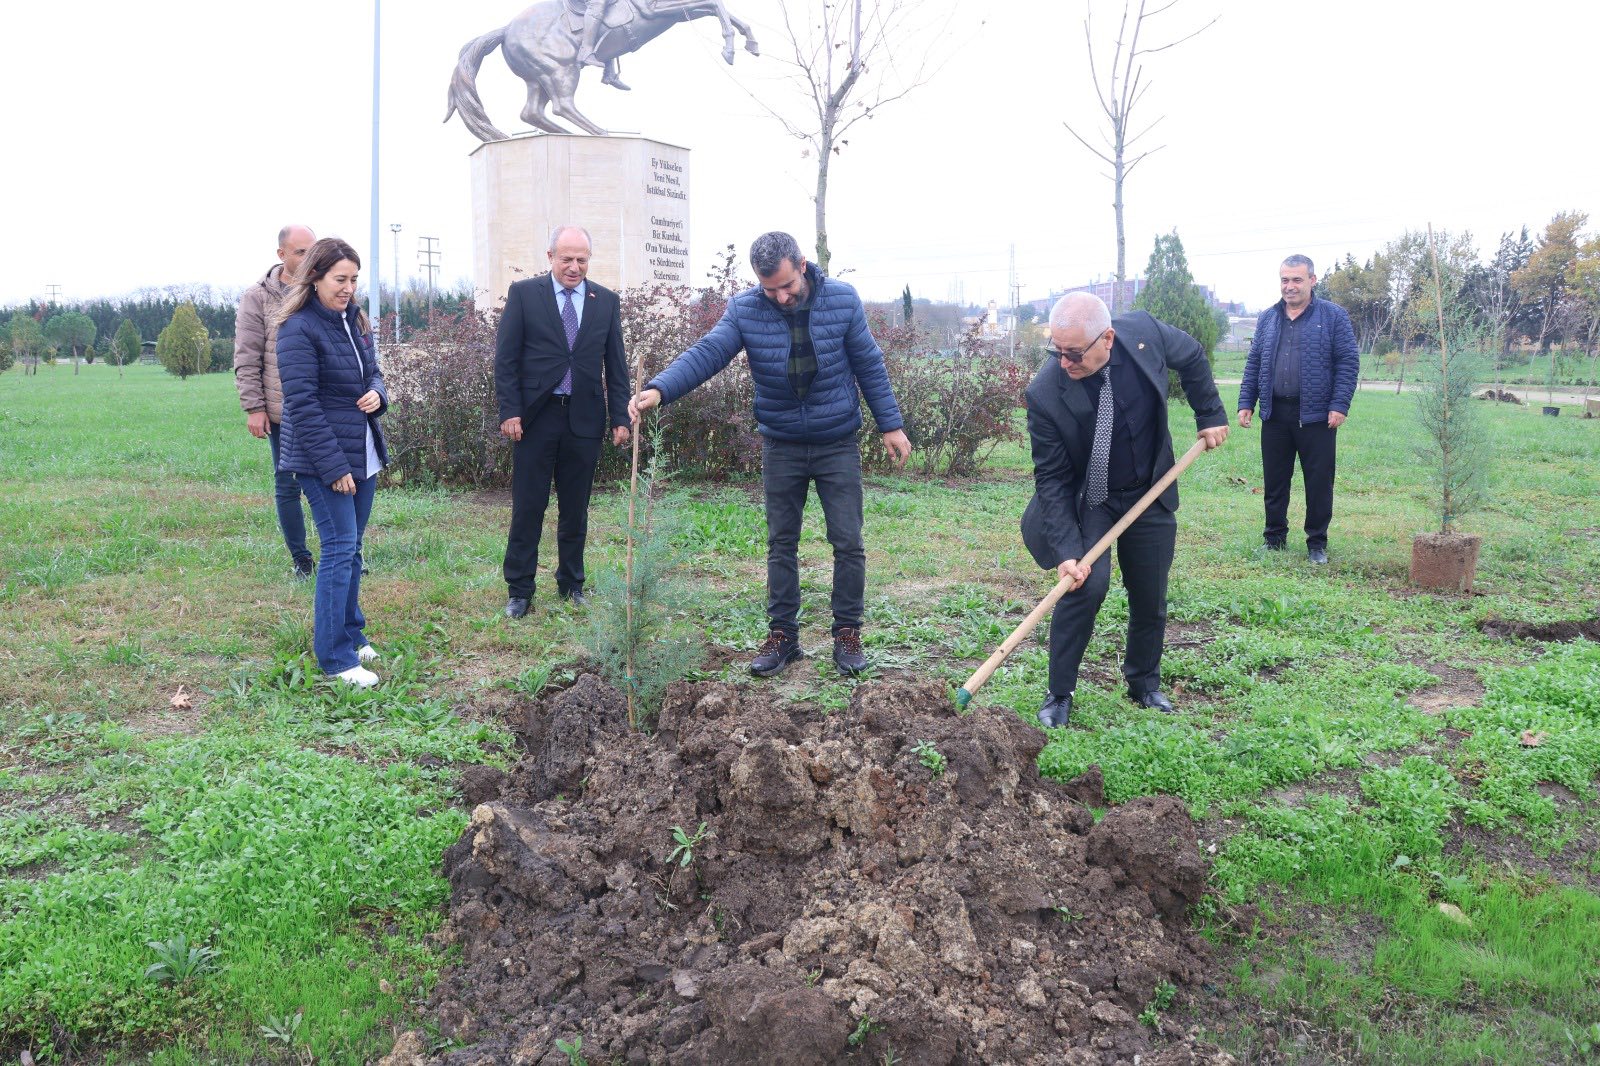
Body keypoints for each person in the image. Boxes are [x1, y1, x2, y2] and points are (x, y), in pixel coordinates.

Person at [629, 231, 911, 678]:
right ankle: (783, 636)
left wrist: (890, 424)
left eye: (787, 286)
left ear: (802, 265)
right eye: (769, 289)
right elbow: (709, 352)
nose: (780, 297)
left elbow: (868, 362)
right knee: (782, 543)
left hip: (837, 441)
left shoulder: (842, 300)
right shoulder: (745, 309)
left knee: (847, 541)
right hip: (781, 444)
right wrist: (661, 388)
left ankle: (847, 633)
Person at [1021, 292, 1228, 728]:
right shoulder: (1045, 393)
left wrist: (1209, 413)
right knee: (1084, 587)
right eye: (1057, 351)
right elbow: (1052, 479)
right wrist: (1067, 552)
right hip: (1090, 498)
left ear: (1108, 338)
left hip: (1150, 489)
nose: (1064, 362)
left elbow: (1192, 356)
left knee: (1150, 592)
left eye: (1074, 353)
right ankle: (1059, 693)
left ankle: (1143, 683)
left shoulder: (1145, 335)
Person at [495, 225, 632, 618]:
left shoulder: (606, 301)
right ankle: (520, 589)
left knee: (576, 509)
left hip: (584, 418)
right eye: (567, 258)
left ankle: (571, 584)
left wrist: (620, 416)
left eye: (582, 260)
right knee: (528, 507)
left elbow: (616, 365)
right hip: (535, 418)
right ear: (550, 256)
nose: (574, 267)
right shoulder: (525, 294)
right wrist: (510, 410)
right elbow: (506, 359)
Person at [274, 238, 389, 688]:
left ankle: (352, 633)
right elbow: (301, 404)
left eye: (354, 279)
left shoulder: (354, 320)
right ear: (315, 278)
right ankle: (335, 659)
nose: (348, 288)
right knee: (339, 547)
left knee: (352, 547)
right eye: (340, 279)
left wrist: (377, 393)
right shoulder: (297, 329)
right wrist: (334, 467)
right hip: (324, 460)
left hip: (363, 451)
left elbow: (374, 372)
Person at [1236, 255, 1359, 564]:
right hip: (1275, 415)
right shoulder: (1268, 317)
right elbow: (1255, 362)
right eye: (1285, 280)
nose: (1289, 286)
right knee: (1275, 482)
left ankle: (1317, 543)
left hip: (1317, 416)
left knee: (1318, 483)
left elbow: (1347, 362)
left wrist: (1339, 404)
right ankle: (1274, 538)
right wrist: (1246, 402)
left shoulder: (1333, 316)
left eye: (1297, 280)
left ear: (1312, 281)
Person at [234, 223, 317, 579]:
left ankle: (343, 555)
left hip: (324, 405)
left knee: (337, 482)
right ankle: (302, 560)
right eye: (301, 252)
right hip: (284, 410)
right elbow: (247, 355)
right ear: (281, 254)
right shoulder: (258, 297)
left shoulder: (323, 288)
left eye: (313, 250)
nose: (309, 258)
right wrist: (254, 407)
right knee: (288, 485)